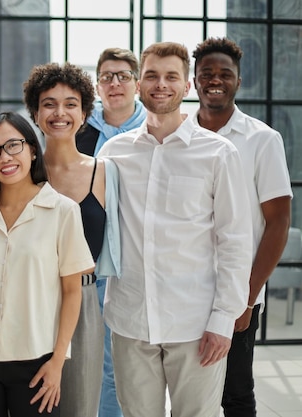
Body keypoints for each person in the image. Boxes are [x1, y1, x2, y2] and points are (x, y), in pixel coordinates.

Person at [97, 42, 253, 417]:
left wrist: (223, 320)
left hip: (196, 326)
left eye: (171, 77)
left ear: (186, 87)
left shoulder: (218, 153)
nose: (160, 84)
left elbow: (235, 241)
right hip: (130, 322)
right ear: (138, 84)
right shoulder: (113, 154)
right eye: (151, 75)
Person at [0, 111, 94, 417]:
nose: (5, 157)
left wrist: (57, 362)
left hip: (37, 361)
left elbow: (71, 291)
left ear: (32, 149)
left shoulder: (62, 211)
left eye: (13, 145)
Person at [192, 37, 292, 417]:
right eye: (207, 74)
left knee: (235, 395)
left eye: (225, 74)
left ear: (238, 80)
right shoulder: (178, 136)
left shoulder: (262, 139)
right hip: (183, 294)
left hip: (237, 296)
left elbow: (279, 221)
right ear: (195, 80)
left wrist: (246, 298)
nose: (215, 80)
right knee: (188, 394)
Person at [23, 62, 121, 417]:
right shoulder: (22, 172)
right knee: (28, 404)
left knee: (80, 406)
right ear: (35, 112)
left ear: (84, 114)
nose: (59, 112)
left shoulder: (104, 172)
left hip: (83, 303)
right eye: (49, 103)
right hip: (29, 301)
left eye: (70, 104)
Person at [74, 47, 146, 417]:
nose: (114, 83)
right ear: (97, 85)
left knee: (130, 365)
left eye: (122, 76)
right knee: (95, 363)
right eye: (106, 77)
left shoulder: (154, 131)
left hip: (138, 262)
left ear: (136, 82)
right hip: (89, 264)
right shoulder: (80, 130)